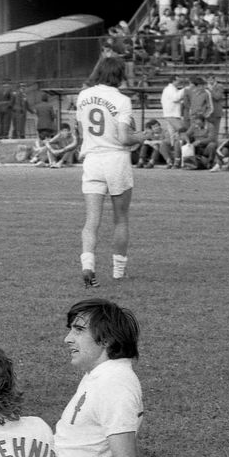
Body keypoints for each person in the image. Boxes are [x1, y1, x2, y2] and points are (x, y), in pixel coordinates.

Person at [56, 299, 177, 457]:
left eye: (78, 331)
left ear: (106, 340)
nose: (67, 339)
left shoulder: (115, 384)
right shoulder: (101, 374)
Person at [75, 57, 151, 288]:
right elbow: (124, 137)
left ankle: (88, 265)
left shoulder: (83, 96)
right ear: (119, 75)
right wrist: (143, 136)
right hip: (115, 159)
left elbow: (81, 131)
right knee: (120, 218)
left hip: (92, 160)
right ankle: (118, 272)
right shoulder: (122, 100)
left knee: (91, 221)